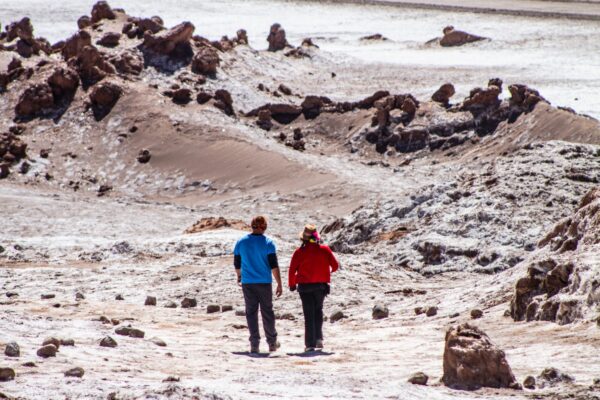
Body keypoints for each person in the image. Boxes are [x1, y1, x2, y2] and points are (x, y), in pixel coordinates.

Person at [234, 215, 282, 354]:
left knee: (251, 313)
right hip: (264, 282)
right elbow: (274, 266)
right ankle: (272, 343)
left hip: (248, 282)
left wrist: (239, 276)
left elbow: (237, 263)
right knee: (267, 312)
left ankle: (254, 344)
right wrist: (279, 283)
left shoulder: (241, 242)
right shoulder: (268, 243)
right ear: (264, 227)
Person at [288, 224, 339, 352]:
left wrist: (292, 284)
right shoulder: (325, 249)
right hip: (320, 287)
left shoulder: (299, 252)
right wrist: (324, 273)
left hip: (304, 287)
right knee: (318, 311)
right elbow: (335, 266)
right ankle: (319, 339)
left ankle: (310, 344)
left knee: (308, 315)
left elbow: (292, 270)